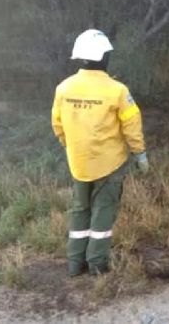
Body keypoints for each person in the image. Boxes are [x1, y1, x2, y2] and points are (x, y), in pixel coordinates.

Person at [51, 29, 149, 276]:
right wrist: (139, 154)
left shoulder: (63, 88)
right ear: (105, 57)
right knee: (103, 210)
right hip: (109, 163)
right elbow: (131, 125)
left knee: (80, 209)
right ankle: (97, 263)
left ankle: (74, 263)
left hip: (79, 163)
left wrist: (71, 146)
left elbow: (57, 125)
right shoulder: (117, 90)